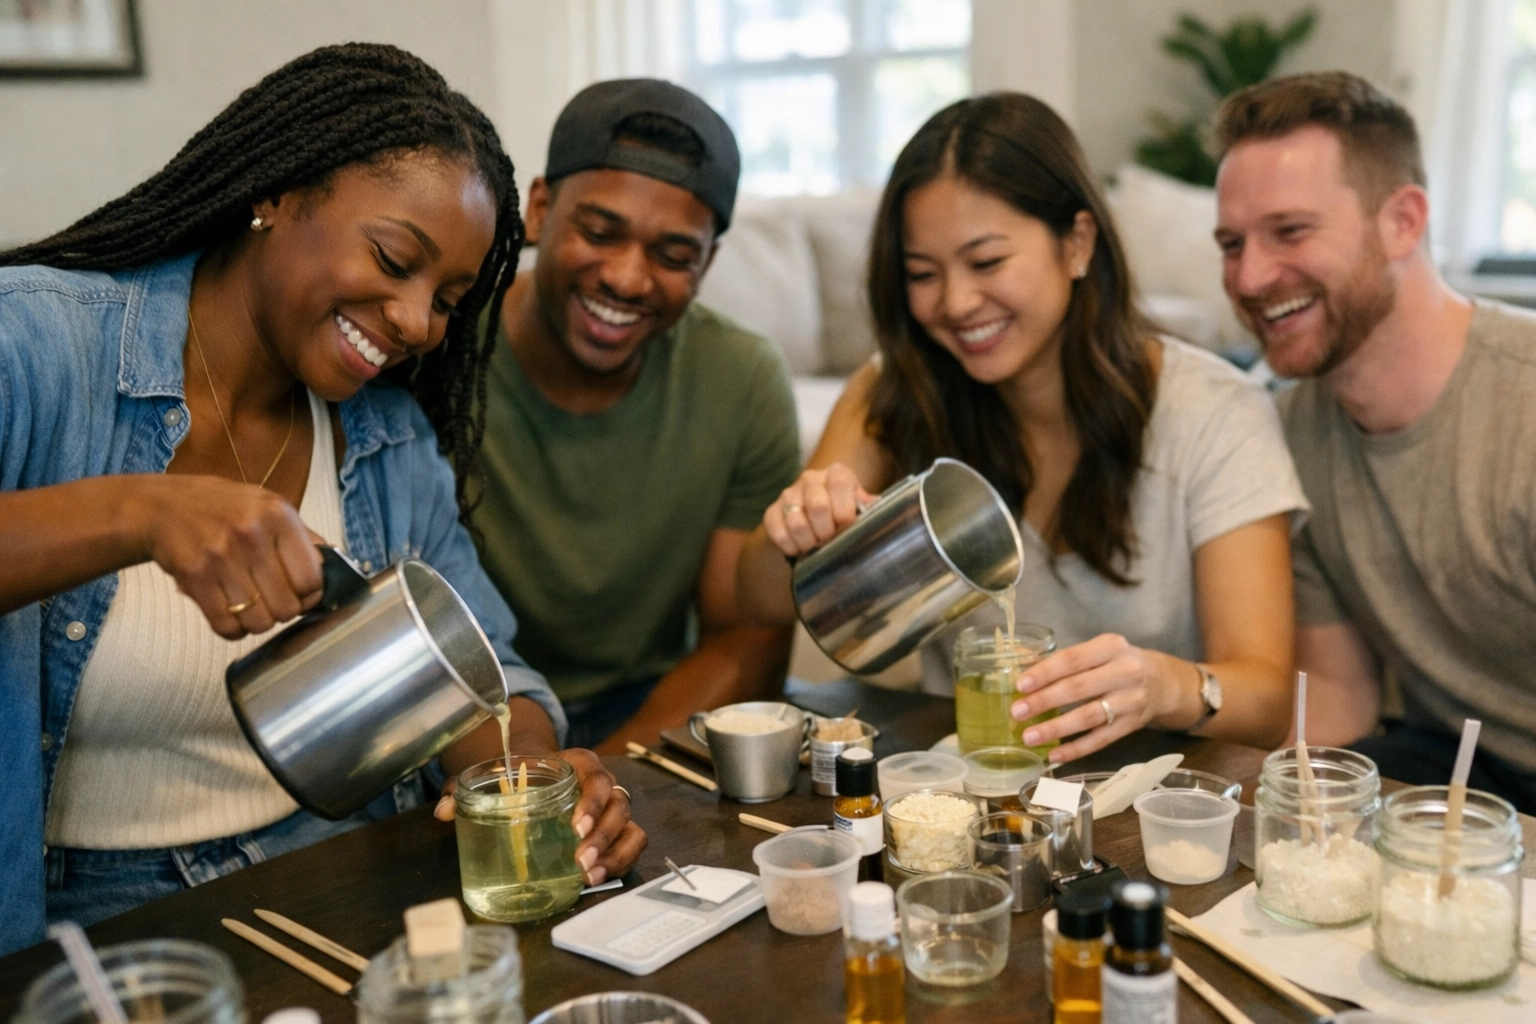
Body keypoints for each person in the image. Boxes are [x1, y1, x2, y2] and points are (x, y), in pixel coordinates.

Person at [0, 43, 642, 956]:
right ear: (274, 191)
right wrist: (142, 512)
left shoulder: (383, 437)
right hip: (83, 929)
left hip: (341, 878)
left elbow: (479, 676)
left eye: (449, 298)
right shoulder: (36, 346)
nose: (419, 323)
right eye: (393, 257)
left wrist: (531, 772)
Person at [738, 92, 1308, 765]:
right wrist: (799, 534)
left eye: (986, 263)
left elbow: (1268, 704)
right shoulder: (896, 391)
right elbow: (760, 601)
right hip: (971, 790)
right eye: (922, 274)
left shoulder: (1213, 412)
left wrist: (1165, 687)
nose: (953, 303)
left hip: (1153, 800)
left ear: (1077, 243)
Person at [1213, 72, 1536, 813]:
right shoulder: (1285, 433)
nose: (1252, 276)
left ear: (1403, 221)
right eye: (1232, 243)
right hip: (1452, 763)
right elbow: (1338, 698)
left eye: (1290, 232)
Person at [471, 79, 800, 752]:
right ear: (538, 209)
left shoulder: (742, 378)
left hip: (658, 707)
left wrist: (605, 779)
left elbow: (747, 634)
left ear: (706, 263)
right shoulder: (438, 346)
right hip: (469, 708)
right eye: (599, 232)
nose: (626, 278)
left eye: (674, 255)